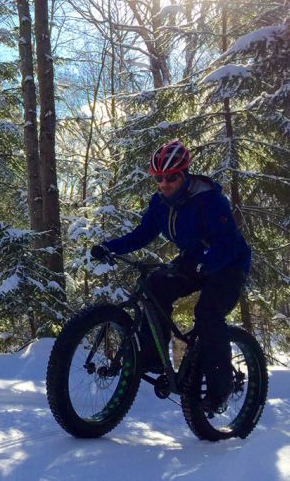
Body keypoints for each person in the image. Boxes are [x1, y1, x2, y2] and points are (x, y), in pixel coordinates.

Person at [90, 140, 251, 413]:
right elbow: (142, 235)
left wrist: (208, 265)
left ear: (184, 175)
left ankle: (220, 389)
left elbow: (228, 242)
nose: (164, 184)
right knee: (156, 286)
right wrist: (109, 247)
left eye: (171, 178)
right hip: (194, 259)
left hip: (229, 264)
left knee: (208, 313)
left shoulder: (210, 200)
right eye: (159, 179)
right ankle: (153, 358)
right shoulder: (160, 204)